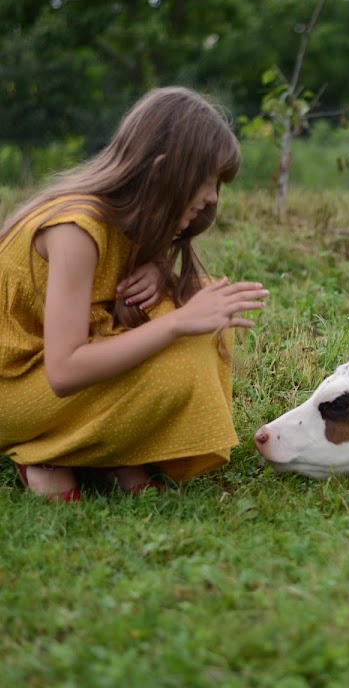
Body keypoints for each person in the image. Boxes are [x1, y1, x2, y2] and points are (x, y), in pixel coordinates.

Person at [0, 86, 269, 501]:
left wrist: (160, 272)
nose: (213, 196)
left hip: (46, 381)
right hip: (13, 388)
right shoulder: (75, 230)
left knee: (207, 310)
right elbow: (65, 370)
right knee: (182, 346)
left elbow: (109, 300)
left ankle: (105, 450)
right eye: (207, 180)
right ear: (161, 172)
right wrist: (177, 323)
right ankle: (48, 450)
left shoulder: (130, 219)